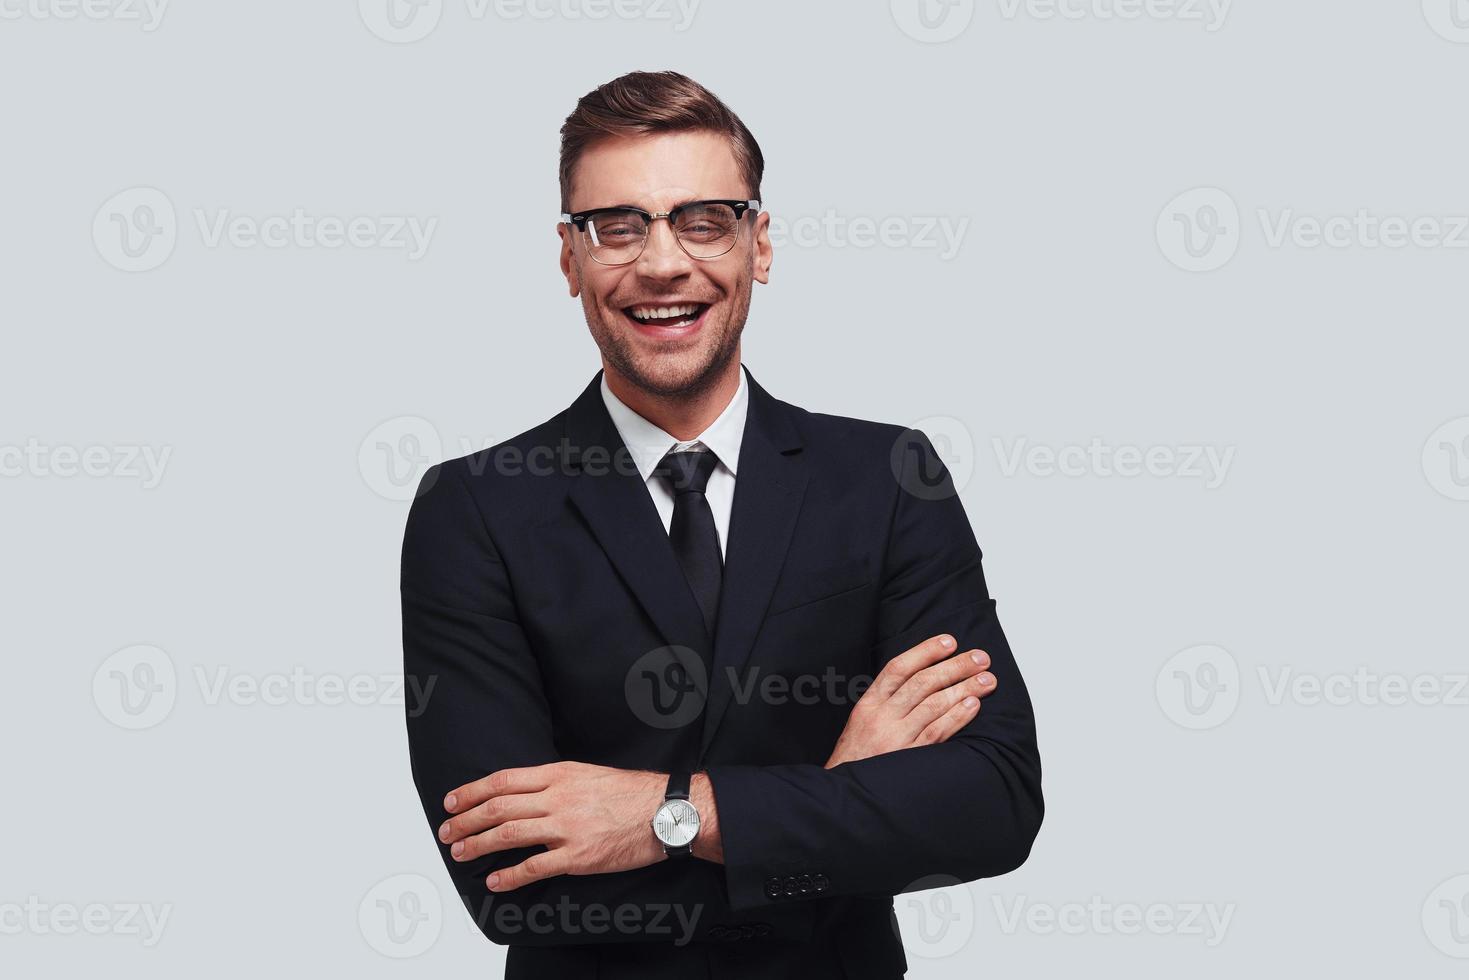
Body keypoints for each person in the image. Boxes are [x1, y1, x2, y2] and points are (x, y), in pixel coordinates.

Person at [401, 69, 1043, 980]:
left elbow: (993, 803)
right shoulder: (472, 509)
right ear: (568, 258)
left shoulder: (889, 479)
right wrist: (834, 799)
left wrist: (671, 816)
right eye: (616, 227)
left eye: (703, 220)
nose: (662, 262)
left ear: (759, 243)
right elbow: (511, 883)